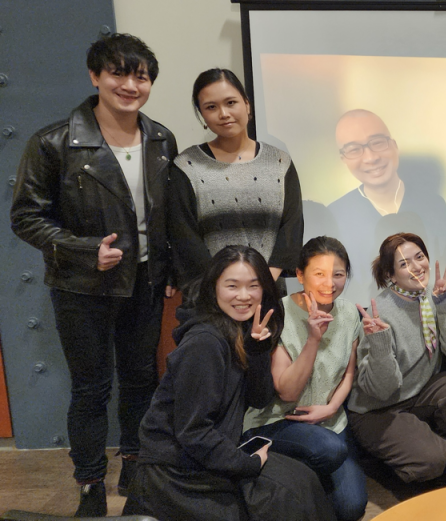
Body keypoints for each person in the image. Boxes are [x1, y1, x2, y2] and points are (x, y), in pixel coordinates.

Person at [9, 33, 177, 516]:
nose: (130, 85)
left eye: (140, 76)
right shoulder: (54, 142)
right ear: (95, 76)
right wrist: (86, 251)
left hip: (145, 282)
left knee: (141, 380)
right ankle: (89, 484)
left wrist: (170, 267)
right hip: (82, 287)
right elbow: (26, 217)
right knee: (91, 388)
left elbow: (167, 215)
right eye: (118, 73)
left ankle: (136, 469)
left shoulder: (161, 138)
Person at [122, 246, 333, 520]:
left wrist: (257, 351)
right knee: (286, 496)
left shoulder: (238, 330)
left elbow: (260, 399)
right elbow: (193, 432)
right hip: (175, 473)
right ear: (214, 289)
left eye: (253, 286)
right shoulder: (204, 343)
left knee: (302, 480)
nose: (243, 296)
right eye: (232, 286)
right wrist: (247, 463)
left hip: (207, 456)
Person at [243, 236, 368, 520]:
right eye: (319, 274)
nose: (330, 283)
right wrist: (313, 339)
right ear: (300, 275)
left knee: (352, 507)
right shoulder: (279, 313)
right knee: (329, 449)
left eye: (338, 275)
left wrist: (332, 408)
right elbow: (286, 392)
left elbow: (349, 372)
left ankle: (304, 479)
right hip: (279, 421)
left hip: (329, 421)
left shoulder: (349, 312)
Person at [346, 232, 446, 485]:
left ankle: (444, 463)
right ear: (390, 275)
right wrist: (380, 343)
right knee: (431, 458)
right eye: (404, 263)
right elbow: (381, 390)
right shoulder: (380, 313)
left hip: (415, 395)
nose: (417, 267)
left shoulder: (432, 297)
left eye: (420, 257)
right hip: (376, 410)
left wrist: (445, 305)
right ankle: (416, 463)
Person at [168, 68, 303, 285]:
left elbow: (291, 228)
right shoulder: (187, 166)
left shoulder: (279, 162)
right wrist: (225, 287)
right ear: (202, 115)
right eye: (211, 107)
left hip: (268, 289)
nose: (223, 113)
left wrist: (261, 284)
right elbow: (184, 237)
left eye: (231, 103)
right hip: (209, 291)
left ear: (247, 105)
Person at [324, 109, 446, 304]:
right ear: (343, 159)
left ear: (394, 145)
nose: (370, 157)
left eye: (377, 142)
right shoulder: (335, 215)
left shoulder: (434, 205)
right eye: (354, 150)